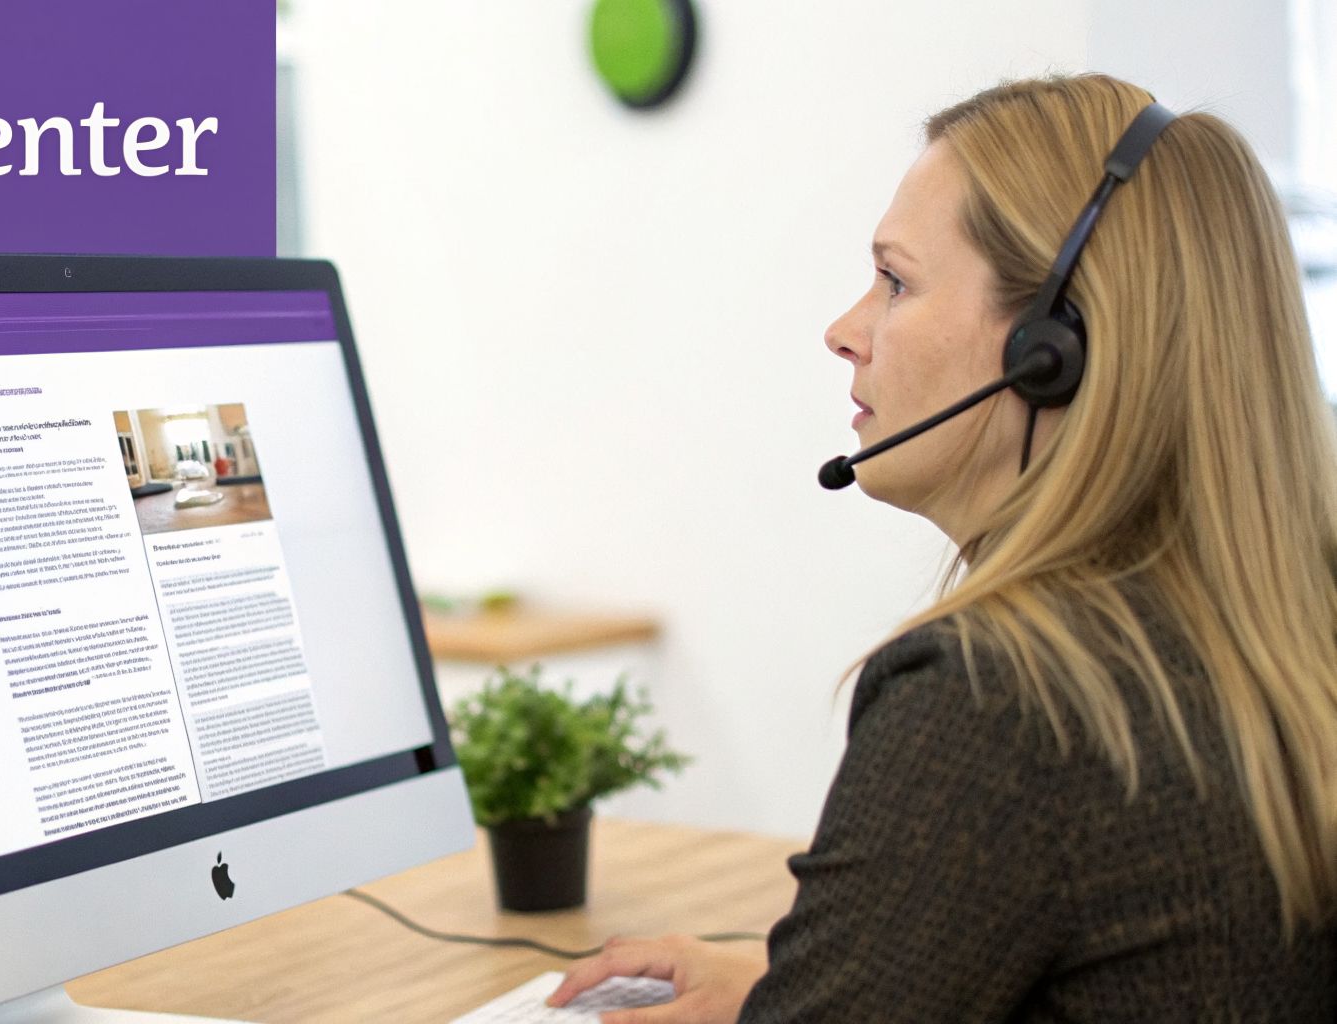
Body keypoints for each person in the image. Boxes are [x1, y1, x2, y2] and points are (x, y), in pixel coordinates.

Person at [547, 73, 1337, 1022]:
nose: (845, 332)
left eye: (895, 281)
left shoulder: (1009, 694)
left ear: (1053, 345)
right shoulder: (1269, 630)